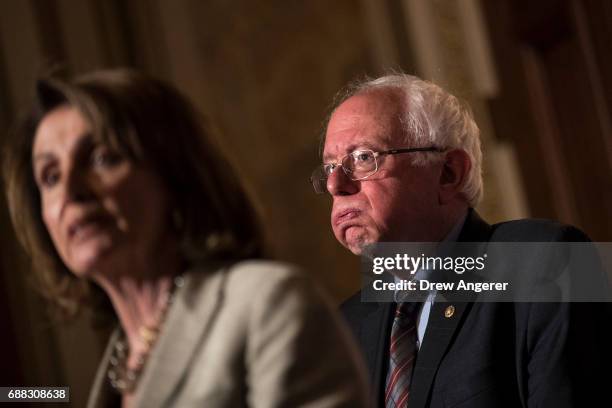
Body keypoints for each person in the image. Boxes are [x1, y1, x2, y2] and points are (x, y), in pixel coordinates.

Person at [3, 68, 370, 408]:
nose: (70, 192)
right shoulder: (114, 370)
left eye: (101, 159)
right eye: (50, 176)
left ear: (174, 175)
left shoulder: (267, 305)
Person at [310, 73, 611, 407]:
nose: (336, 185)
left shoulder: (546, 261)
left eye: (364, 157)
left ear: (448, 172)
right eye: (330, 167)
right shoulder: (345, 329)